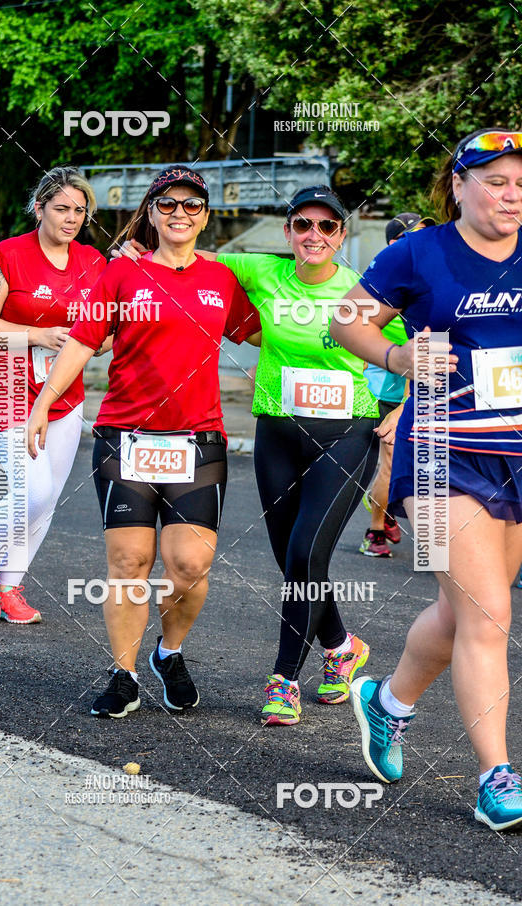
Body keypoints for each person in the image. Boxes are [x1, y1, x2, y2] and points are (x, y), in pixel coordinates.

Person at [119, 184, 383, 725]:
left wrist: (395, 414)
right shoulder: (262, 272)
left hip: (347, 435)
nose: (314, 235)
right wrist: (136, 255)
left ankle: (284, 679)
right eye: (303, 226)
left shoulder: (367, 289)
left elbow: (410, 347)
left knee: (307, 554)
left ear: (342, 234)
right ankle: (340, 646)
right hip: (277, 436)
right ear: (288, 233)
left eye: (327, 227)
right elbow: (194, 256)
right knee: (293, 559)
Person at [330, 128, 522, 831]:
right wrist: (396, 354)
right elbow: (344, 319)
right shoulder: (419, 251)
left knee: (461, 611)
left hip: (516, 454)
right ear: (459, 184)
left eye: (520, 182)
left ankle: (386, 705)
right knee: (490, 614)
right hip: (439, 455)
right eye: (496, 180)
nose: (511, 194)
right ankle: (495, 778)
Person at [27, 166, 260, 717]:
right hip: (124, 436)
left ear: (205, 215)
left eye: (192, 205)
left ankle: (169, 652)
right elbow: (83, 343)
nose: (180, 213)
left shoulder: (222, 279)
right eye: (168, 204)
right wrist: (42, 403)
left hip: (199, 441)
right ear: (151, 212)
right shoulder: (119, 275)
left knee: (189, 566)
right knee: (130, 560)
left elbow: (268, 334)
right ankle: (124, 673)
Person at [0, 166, 106, 624]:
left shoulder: (93, 262)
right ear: (39, 207)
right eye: (61, 208)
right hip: (8, 387)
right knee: (32, 489)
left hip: (64, 391)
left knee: (48, 498)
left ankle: (11, 584)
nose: (70, 218)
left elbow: (103, 332)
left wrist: (95, 341)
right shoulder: (8, 255)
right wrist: (39, 335)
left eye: (79, 211)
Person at [360, 213, 434, 558]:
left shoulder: (428, 288)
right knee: (390, 464)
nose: (422, 242)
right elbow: (352, 336)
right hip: (385, 396)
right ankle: (374, 532)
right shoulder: (386, 291)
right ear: (394, 244)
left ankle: (387, 509)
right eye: (412, 236)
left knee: (422, 466)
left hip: (422, 396)